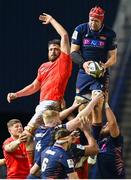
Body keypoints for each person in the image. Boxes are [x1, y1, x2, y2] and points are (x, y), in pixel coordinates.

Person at [7, 13, 72, 132]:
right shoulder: (43, 66)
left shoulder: (63, 63)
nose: (53, 51)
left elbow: (64, 35)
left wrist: (51, 20)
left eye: (56, 49)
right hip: (41, 106)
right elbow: (34, 86)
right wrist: (16, 94)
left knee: (27, 132)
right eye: (50, 49)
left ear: (61, 51)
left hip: (51, 105)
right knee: (39, 138)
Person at [27, 93, 102, 178]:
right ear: (55, 122)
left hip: (37, 171)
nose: (61, 121)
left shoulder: (39, 130)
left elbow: (54, 117)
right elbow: (78, 120)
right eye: (59, 120)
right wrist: (94, 101)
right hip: (47, 173)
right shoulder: (53, 132)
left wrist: (72, 107)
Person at [71, 6, 117, 123]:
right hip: (84, 72)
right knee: (81, 106)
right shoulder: (80, 29)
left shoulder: (110, 34)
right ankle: (83, 139)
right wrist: (84, 64)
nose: (92, 23)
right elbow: (73, 52)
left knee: (97, 106)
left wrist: (105, 66)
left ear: (101, 20)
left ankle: (96, 139)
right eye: (91, 19)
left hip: (100, 74)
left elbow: (113, 57)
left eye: (95, 20)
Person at [90, 99, 126, 178]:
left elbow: (112, 123)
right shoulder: (100, 139)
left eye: (107, 124)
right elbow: (96, 120)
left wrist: (106, 103)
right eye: (105, 123)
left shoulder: (116, 140)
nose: (105, 124)